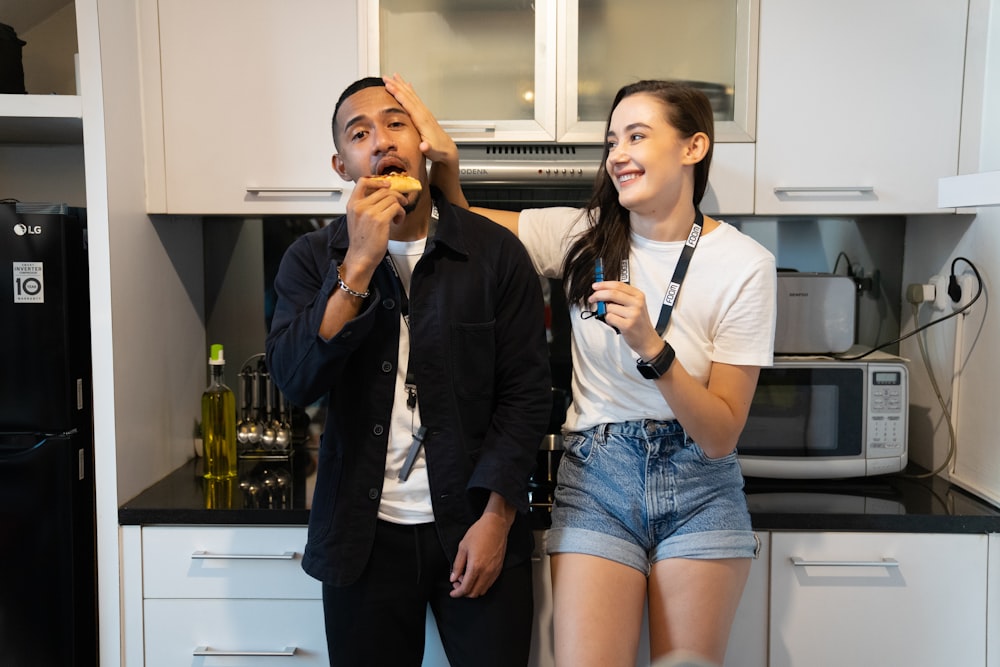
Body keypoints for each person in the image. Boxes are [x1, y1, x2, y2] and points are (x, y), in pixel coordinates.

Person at [387, 75, 776, 666]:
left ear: (693, 147)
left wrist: (652, 345)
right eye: (612, 140)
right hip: (598, 477)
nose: (618, 154)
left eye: (637, 136)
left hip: (701, 484)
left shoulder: (746, 265)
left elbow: (720, 434)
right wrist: (448, 165)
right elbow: (467, 231)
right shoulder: (580, 235)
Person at [265, 76, 551, 667]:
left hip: (475, 526)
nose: (381, 142)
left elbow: (526, 395)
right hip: (361, 539)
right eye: (360, 132)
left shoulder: (494, 252)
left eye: (397, 124)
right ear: (342, 165)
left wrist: (497, 520)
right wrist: (361, 261)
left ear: (424, 145)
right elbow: (295, 380)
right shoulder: (310, 259)